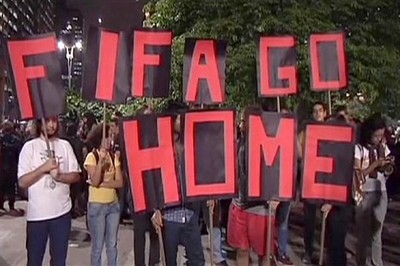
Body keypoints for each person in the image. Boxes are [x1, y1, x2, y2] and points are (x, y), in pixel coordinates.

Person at [18, 117, 81, 266]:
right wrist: (43, 169)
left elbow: (76, 175)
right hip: (37, 216)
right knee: (34, 260)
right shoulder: (29, 147)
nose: (51, 125)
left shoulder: (65, 146)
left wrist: (59, 176)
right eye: (48, 121)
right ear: (40, 122)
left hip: (61, 214)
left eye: (54, 121)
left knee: (59, 261)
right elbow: (22, 182)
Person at [151, 103, 205, 266]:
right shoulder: (160, 147)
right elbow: (153, 179)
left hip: (190, 213)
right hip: (169, 215)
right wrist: (155, 209)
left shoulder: (191, 145)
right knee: (169, 261)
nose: (183, 122)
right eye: (180, 119)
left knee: (197, 261)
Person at [227, 107, 276, 266]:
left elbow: (279, 170)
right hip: (239, 205)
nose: (241, 123)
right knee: (241, 250)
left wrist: (277, 197)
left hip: (260, 208)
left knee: (264, 254)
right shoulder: (238, 140)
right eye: (240, 120)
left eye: (244, 120)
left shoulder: (269, 142)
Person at [354, 114, 391, 266]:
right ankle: (361, 262)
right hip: (364, 193)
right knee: (363, 234)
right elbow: (359, 173)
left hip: (380, 191)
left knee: (377, 233)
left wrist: (388, 167)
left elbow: (387, 169)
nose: (378, 139)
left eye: (381, 135)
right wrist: (375, 164)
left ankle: (377, 262)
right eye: (376, 135)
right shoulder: (358, 148)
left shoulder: (382, 147)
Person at [84, 123, 124, 266]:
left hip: (113, 205)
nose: (109, 140)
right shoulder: (92, 157)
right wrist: (100, 164)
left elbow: (119, 182)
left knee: (112, 245)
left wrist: (103, 184)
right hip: (97, 206)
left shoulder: (113, 157)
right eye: (107, 137)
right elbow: (94, 181)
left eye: (111, 136)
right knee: (97, 247)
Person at [0, 121, 23, 216]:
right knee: (11, 187)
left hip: (1, 167)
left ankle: (0, 205)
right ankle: (11, 206)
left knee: (1, 187)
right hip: (12, 167)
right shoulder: (17, 140)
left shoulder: (0, 140)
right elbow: (20, 155)